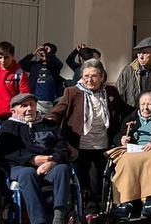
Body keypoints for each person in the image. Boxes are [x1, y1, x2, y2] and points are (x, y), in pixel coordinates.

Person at [45, 58, 130, 215]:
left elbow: (125, 111)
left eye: (94, 76)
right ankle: (77, 211)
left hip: (101, 144)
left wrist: (143, 111)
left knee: (96, 181)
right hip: (77, 145)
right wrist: (49, 120)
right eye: (86, 76)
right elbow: (57, 111)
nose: (89, 80)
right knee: (80, 180)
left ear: (102, 76)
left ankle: (93, 211)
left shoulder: (110, 92)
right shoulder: (72, 92)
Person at [0, 93, 76, 224]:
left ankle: (58, 221)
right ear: (13, 110)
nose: (29, 109)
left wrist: (53, 162)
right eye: (24, 106)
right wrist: (32, 160)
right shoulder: (9, 127)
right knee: (27, 173)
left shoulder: (49, 125)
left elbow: (63, 147)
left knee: (63, 169)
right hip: (20, 167)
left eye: (32, 105)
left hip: (49, 165)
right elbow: (4, 152)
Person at [108, 90, 151, 220]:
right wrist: (121, 140)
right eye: (142, 104)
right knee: (125, 160)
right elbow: (117, 135)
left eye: (149, 104)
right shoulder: (130, 118)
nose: (145, 107)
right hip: (134, 150)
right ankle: (125, 201)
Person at [20, 43, 65, 113]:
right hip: (36, 100)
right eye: (41, 51)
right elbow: (21, 64)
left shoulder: (54, 67)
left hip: (51, 101)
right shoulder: (35, 65)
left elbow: (60, 64)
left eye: (45, 51)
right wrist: (33, 53)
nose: (43, 53)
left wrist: (49, 53)